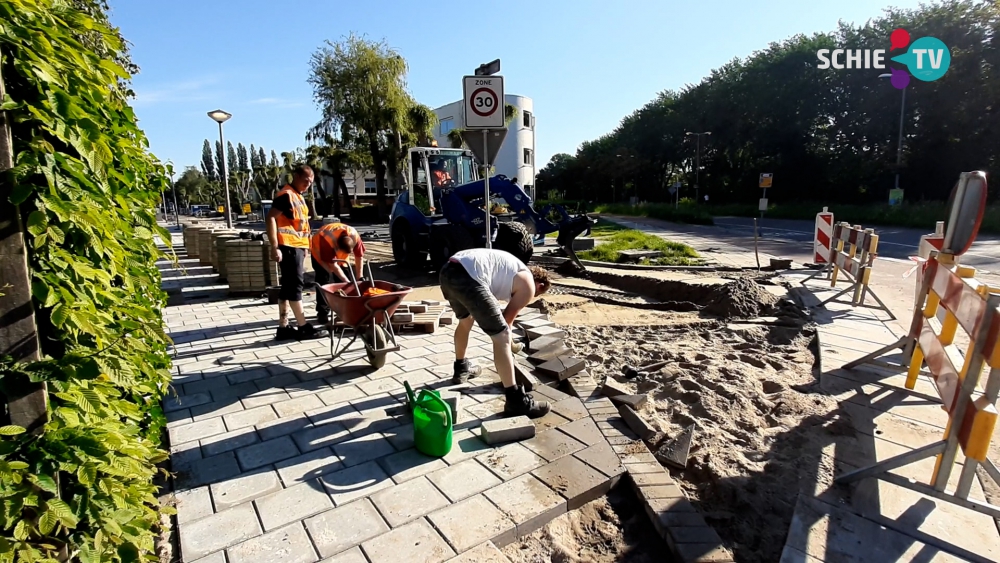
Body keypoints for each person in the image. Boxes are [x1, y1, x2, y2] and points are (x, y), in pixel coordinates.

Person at [439, 248, 552, 419]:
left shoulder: (511, 269)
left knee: (466, 321)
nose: (531, 297)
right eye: (537, 294)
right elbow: (505, 323)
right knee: (502, 337)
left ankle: (461, 368)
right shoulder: (528, 285)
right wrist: (511, 347)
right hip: (470, 277)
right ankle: (516, 401)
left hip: (448, 271)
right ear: (540, 285)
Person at [266, 165, 328, 341]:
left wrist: (306, 247)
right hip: (289, 247)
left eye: (311, 182)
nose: (308, 185)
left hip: (297, 247)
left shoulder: (298, 196)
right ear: (295, 176)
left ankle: (283, 327)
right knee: (295, 286)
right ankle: (303, 327)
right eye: (305, 180)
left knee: (287, 287)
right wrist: (274, 246)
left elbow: (302, 226)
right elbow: (270, 217)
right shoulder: (286, 195)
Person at [310, 222, 366, 325]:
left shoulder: (355, 236)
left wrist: (359, 277)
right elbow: (333, 265)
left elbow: (359, 257)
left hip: (338, 256)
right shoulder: (326, 240)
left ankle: (346, 312)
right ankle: (322, 313)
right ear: (337, 246)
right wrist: (347, 281)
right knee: (323, 282)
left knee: (346, 285)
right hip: (319, 253)